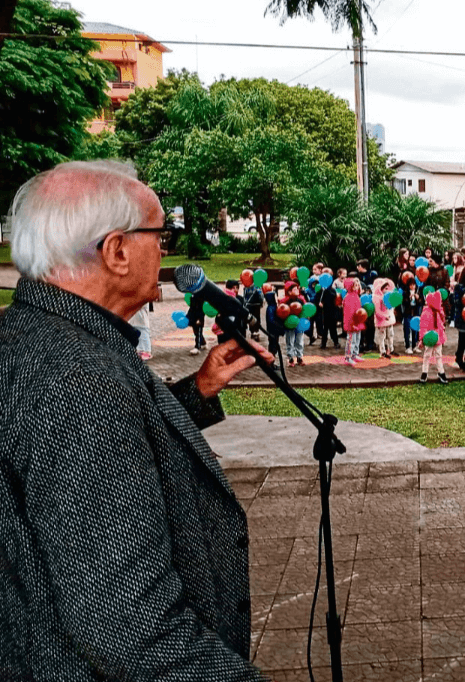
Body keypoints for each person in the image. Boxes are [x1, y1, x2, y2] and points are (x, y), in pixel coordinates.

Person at [0, 160, 272, 680]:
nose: (165, 250)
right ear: (117, 251)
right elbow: (129, 625)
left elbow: (94, 451)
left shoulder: (34, 335)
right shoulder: (78, 376)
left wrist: (196, 392)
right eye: (159, 235)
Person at [418, 290, 449, 384]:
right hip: (430, 338)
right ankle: (425, 373)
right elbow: (423, 327)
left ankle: (440, 372)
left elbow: (441, 324)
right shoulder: (426, 313)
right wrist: (422, 339)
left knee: (438, 355)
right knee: (428, 355)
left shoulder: (438, 312)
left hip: (437, 338)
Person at [372, 277, 397, 359]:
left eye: (387, 288)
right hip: (382, 321)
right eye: (385, 288)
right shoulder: (377, 298)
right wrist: (384, 316)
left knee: (391, 334)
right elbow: (377, 311)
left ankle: (391, 349)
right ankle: (382, 351)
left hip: (389, 320)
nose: (387, 290)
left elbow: (391, 307)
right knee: (382, 336)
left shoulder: (387, 296)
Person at [342, 277, 366, 364]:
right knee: (351, 340)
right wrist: (352, 323)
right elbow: (349, 313)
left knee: (357, 339)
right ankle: (348, 357)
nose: (358, 286)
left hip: (357, 321)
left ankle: (355, 354)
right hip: (352, 322)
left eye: (358, 284)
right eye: (355, 285)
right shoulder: (348, 297)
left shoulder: (356, 295)